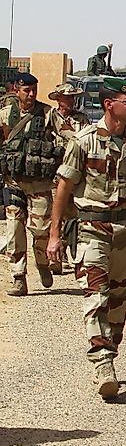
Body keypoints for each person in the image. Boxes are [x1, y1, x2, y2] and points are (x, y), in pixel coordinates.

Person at [46, 75, 126, 399]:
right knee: (96, 297)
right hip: (91, 229)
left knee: (119, 302)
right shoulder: (84, 141)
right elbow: (63, 187)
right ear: (109, 105)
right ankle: (102, 363)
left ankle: (109, 349)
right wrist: (55, 235)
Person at [0, 72, 67, 294]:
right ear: (16, 91)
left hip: (40, 185)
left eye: (34, 90)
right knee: (14, 230)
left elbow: (68, 138)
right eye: (26, 90)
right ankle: (18, 276)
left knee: (40, 231)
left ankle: (42, 263)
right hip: (14, 182)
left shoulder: (48, 114)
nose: (31, 94)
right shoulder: (5, 114)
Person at [47, 83, 91, 274]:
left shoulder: (82, 119)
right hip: (55, 172)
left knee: (73, 214)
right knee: (56, 211)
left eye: (73, 97)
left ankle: (69, 250)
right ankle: (56, 254)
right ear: (58, 99)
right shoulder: (49, 117)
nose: (71, 101)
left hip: (76, 174)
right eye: (67, 97)